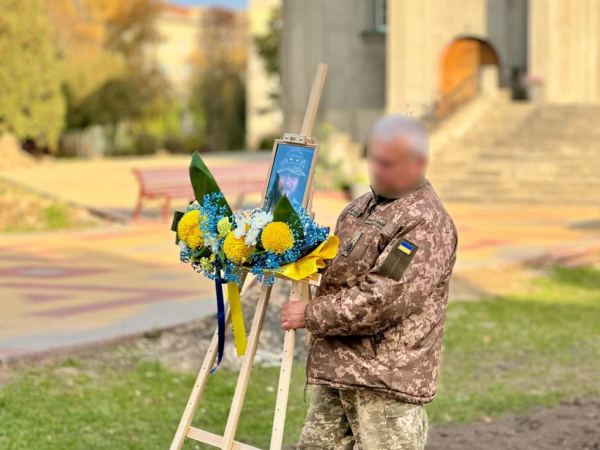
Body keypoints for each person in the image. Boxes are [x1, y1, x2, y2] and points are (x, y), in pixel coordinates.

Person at [280, 114, 458, 450]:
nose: (377, 170)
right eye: (373, 159)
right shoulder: (358, 209)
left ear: (419, 163)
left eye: (388, 164)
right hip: (340, 370)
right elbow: (339, 275)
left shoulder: (425, 222)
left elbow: (381, 299)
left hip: (384, 384)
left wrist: (310, 314)